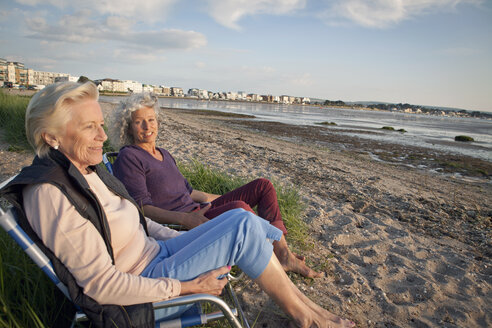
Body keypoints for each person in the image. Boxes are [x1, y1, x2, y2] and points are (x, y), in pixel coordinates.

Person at [1, 81, 355, 327]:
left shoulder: (84, 171)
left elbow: (137, 220)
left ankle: (307, 308)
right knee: (243, 224)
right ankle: (307, 317)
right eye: (90, 127)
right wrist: (189, 288)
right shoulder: (50, 194)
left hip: (158, 255)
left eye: (100, 124)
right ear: (51, 137)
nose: (103, 135)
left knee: (239, 221)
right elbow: (101, 287)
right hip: (145, 288)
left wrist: (187, 239)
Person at [108, 93, 321, 278]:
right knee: (239, 209)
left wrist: (223, 200)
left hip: (200, 210)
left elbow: (190, 193)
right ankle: (278, 256)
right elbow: (140, 208)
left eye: (151, 119)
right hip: (188, 222)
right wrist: (186, 218)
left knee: (262, 186)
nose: (148, 127)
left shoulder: (164, 154)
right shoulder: (130, 156)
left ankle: (282, 251)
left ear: (158, 122)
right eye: (139, 122)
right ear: (129, 127)